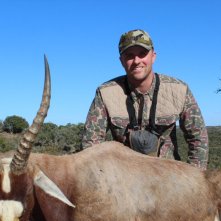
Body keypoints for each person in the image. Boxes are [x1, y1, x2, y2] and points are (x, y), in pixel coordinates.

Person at [81, 29, 209, 170]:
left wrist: (193, 180)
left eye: (142, 54)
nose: (136, 61)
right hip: (124, 180)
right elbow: (90, 146)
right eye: (129, 56)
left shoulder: (179, 89)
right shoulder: (105, 93)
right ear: (121, 61)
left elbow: (198, 140)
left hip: (169, 178)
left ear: (153, 56)